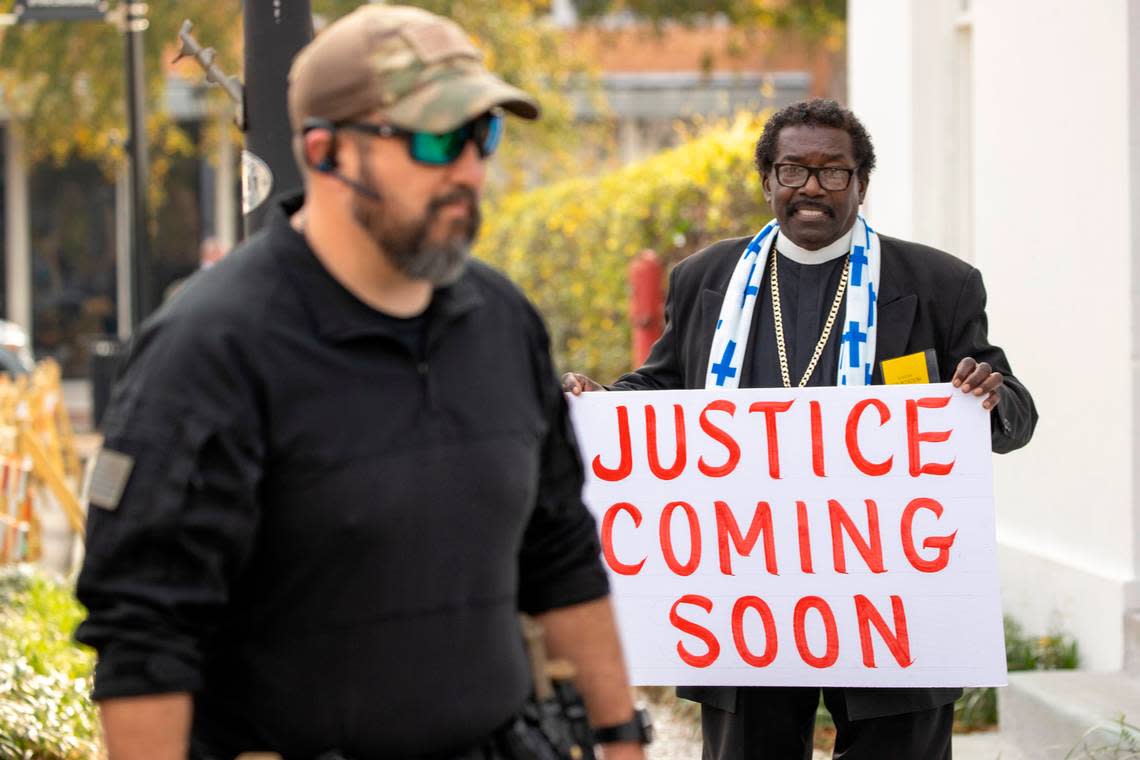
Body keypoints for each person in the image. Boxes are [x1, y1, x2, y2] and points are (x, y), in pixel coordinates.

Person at [76, 6, 647, 760]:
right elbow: (145, 637)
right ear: (325, 151)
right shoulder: (210, 350)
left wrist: (622, 738)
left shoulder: (502, 321)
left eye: (484, 136)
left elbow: (560, 550)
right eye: (438, 139)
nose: (470, 169)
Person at [563, 98, 1038, 760]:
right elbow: (663, 387)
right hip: (745, 592)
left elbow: (1014, 419)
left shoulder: (938, 285)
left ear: (861, 184)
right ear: (768, 182)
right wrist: (600, 404)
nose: (811, 187)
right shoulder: (707, 280)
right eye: (793, 170)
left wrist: (991, 396)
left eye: (833, 172)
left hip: (892, 598)